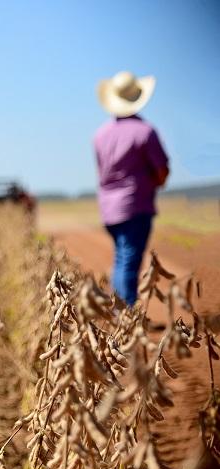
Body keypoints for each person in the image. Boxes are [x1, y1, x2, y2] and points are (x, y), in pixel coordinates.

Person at [94, 71, 170, 306]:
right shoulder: (145, 131)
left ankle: (119, 311)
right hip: (135, 206)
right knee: (128, 261)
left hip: (108, 208)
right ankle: (126, 315)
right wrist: (155, 183)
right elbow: (162, 170)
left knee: (121, 258)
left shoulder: (100, 135)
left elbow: (102, 172)